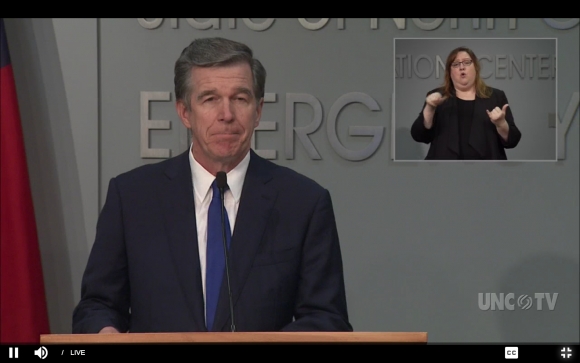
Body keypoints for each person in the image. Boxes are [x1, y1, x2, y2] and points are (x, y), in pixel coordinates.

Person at [72, 37, 352, 333]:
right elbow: (97, 306)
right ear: (184, 112)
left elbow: (327, 318)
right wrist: (106, 334)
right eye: (210, 99)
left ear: (257, 112)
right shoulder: (132, 198)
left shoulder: (303, 202)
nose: (227, 115)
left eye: (240, 98)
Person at [410, 46, 521, 160]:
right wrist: (430, 108)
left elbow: (513, 140)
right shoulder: (437, 96)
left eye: (467, 62)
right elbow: (419, 136)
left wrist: (501, 123)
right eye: (456, 64)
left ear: (476, 67)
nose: (462, 67)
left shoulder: (495, 96)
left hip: (487, 171)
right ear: (450, 72)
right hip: (444, 171)